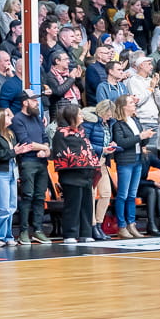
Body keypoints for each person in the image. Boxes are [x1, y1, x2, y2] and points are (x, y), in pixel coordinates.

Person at [51, 104, 99, 243]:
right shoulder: (61, 133)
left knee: (87, 205)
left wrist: (92, 160)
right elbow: (61, 154)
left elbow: (88, 149)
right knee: (73, 206)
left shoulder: (81, 131)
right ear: (71, 116)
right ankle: (70, 234)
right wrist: (82, 159)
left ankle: (86, 233)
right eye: (79, 114)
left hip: (86, 174)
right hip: (71, 175)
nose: (82, 116)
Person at [112, 95, 158, 238]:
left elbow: (141, 142)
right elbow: (121, 143)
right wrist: (140, 137)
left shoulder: (135, 120)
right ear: (123, 106)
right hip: (125, 161)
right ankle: (121, 225)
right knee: (123, 195)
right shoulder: (118, 124)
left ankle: (131, 224)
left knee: (132, 195)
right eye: (131, 103)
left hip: (138, 159)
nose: (134, 105)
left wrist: (147, 137)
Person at [11, 91, 52, 244]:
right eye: (33, 100)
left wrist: (45, 149)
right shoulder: (17, 119)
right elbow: (25, 142)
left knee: (40, 197)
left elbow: (45, 137)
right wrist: (45, 148)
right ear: (25, 102)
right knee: (27, 196)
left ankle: (38, 230)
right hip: (28, 161)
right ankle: (23, 231)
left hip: (41, 161)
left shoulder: (36, 118)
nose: (36, 103)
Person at [0, 108, 30, 247]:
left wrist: (18, 152)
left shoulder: (10, 133)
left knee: (11, 206)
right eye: (7, 116)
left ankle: (7, 236)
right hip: (0, 172)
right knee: (2, 207)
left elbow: (13, 153)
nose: (10, 118)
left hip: (12, 171)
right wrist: (14, 151)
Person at [82, 100, 118, 240]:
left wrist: (111, 144)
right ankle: (92, 226)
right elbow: (85, 143)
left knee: (106, 193)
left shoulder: (109, 124)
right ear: (101, 111)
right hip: (92, 163)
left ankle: (99, 223)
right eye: (108, 114)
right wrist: (102, 149)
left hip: (103, 162)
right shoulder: (90, 122)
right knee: (92, 194)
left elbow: (105, 139)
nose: (110, 116)